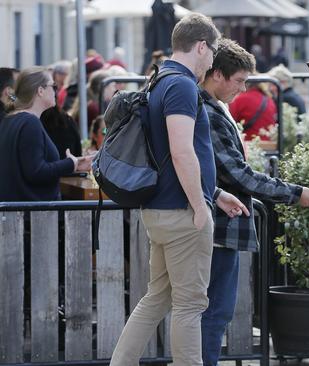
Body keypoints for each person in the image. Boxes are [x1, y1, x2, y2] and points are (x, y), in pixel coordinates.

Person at [108, 13, 248, 366]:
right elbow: (182, 150)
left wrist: (214, 194)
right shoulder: (183, 85)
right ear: (201, 46)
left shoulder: (159, 79)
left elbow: (170, 155)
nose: (213, 58)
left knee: (156, 298)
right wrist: (201, 206)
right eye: (213, 51)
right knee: (190, 306)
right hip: (182, 211)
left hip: (159, 208)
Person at [199, 38, 309, 366]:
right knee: (215, 310)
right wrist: (295, 193)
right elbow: (239, 175)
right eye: (239, 81)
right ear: (217, 75)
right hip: (219, 228)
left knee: (209, 309)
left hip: (220, 224)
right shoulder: (206, 110)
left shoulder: (212, 107)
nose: (241, 89)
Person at [0, 67, 92, 201]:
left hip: (20, 214)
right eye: (52, 85)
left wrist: (74, 164)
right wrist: (69, 163)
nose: (56, 90)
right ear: (40, 91)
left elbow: (28, 166)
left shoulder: (10, 120)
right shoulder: (29, 122)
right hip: (33, 215)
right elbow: (36, 172)